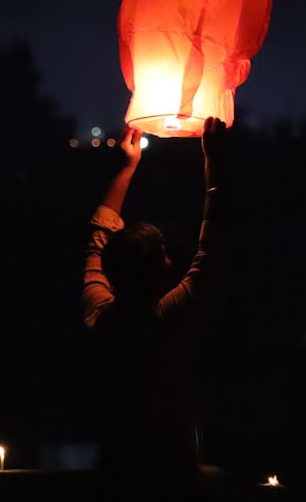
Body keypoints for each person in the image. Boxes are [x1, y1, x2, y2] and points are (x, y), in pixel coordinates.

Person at [81, 117, 227, 498]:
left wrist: (126, 169)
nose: (171, 260)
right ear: (156, 271)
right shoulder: (168, 321)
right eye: (163, 255)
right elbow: (214, 243)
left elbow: (99, 241)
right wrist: (215, 160)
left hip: (114, 476)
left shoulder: (100, 318)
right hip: (172, 481)